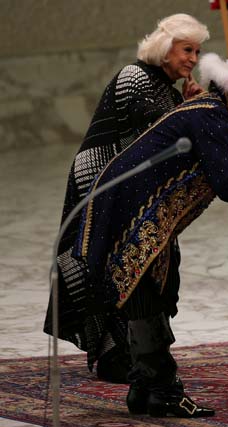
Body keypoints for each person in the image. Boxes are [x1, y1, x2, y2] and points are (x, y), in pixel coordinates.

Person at [47, 52, 228, 418]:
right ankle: (163, 391)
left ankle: (146, 390)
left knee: (150, 290)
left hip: (130, 206)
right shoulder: (213, 116)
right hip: (129, 209)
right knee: (147, 292)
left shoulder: (212, 111)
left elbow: (219, 174)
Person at [44, 13, 210, 384]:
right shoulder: (135, 76)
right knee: (106, 262)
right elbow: (157, 126)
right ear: (166, 49)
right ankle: (113, 354)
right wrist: (191, 110)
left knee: (131, 262)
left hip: (129, 187)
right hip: (100, 181)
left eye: (198, 52)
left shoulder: (166, 86)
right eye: (187, 50)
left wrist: (186, 105)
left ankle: (133, 349)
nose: (194, 59)